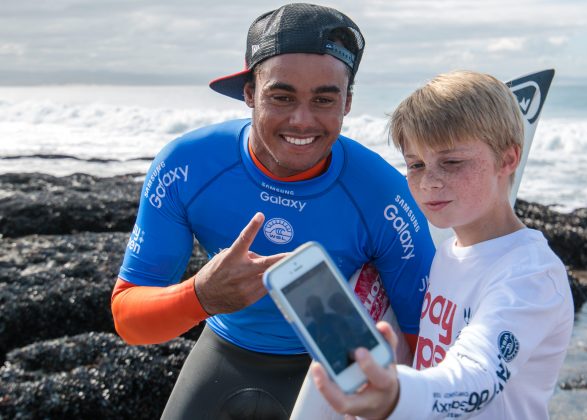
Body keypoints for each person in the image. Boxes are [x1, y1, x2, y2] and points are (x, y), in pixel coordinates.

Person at [110, 3, 435, 419]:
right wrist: (201, 296)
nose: (302, 120)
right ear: (249, 92)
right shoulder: (186, 167)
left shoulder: (383, 196)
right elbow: (129, 320)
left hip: (330, 378)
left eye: (324, 99)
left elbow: (426, 342)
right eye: (281, 97)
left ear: (348, 102)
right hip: (221, 355)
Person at [312, 70, 574, 419]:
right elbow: (434, 361)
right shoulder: (449, 252)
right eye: (415, 165)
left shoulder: (530, 276)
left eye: (451, 162)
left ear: (508, 159)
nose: (429, 182)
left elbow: (476, 377)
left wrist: (396, 396)